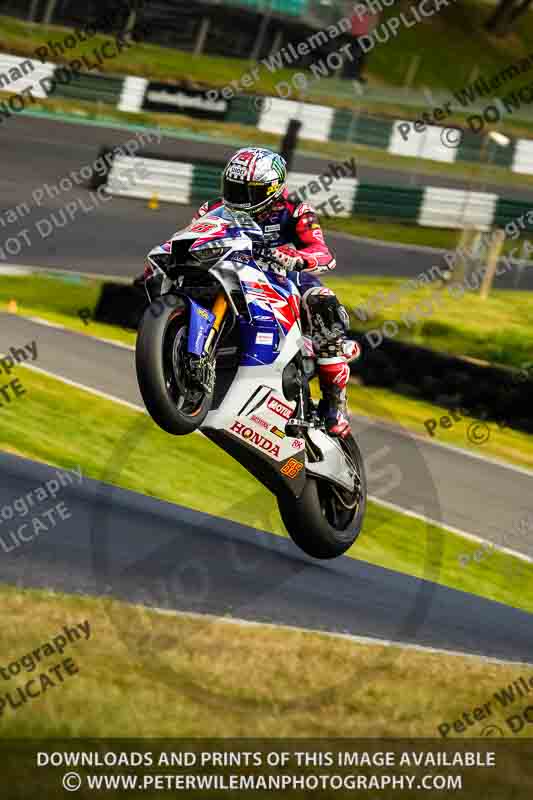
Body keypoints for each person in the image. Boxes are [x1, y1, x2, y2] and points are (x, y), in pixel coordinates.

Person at [194, 147, 359, 437]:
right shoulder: (212, 209)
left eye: (249, 192)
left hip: (284, 279)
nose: (239, 198)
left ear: (272, 189)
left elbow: (323, 253)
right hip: (229, 271)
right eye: (235, 188)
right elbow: (191, 239)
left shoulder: (297, 211)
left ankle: (334, 403)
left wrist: (298, 258)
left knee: (323, 302)